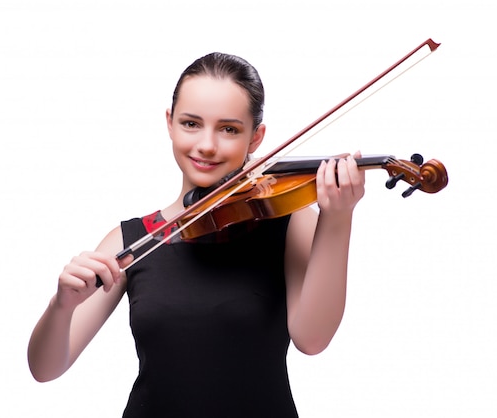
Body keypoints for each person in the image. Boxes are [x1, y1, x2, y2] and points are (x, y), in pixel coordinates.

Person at [28, 52, 365, 417]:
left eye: (229, 129)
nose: (207, 145)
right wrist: (61, 305)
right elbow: (45, 369)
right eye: (191, 123)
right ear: (170, 123)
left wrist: (338, 217)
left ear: (256, 138)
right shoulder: (131, 240)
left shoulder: (291, 222)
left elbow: (312, 340)